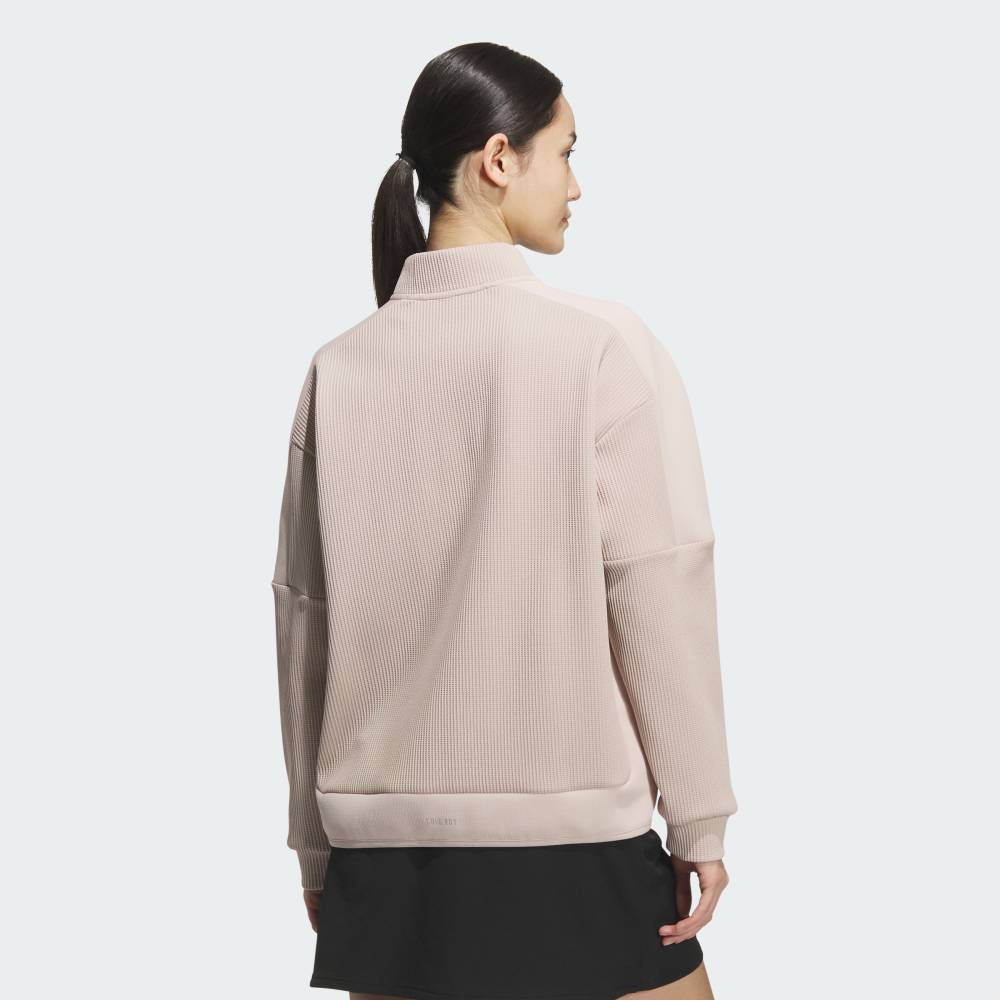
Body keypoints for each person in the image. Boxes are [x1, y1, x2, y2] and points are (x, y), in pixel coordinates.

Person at [270, 41, 738, 1000]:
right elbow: (655, 583)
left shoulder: (339, 366)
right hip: (573, 836)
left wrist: (316, 844)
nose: (577, 185)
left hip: (385, 858)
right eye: (565, 153)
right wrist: (699, 816)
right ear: (497, 159)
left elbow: (304, 620)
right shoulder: (598, 346)